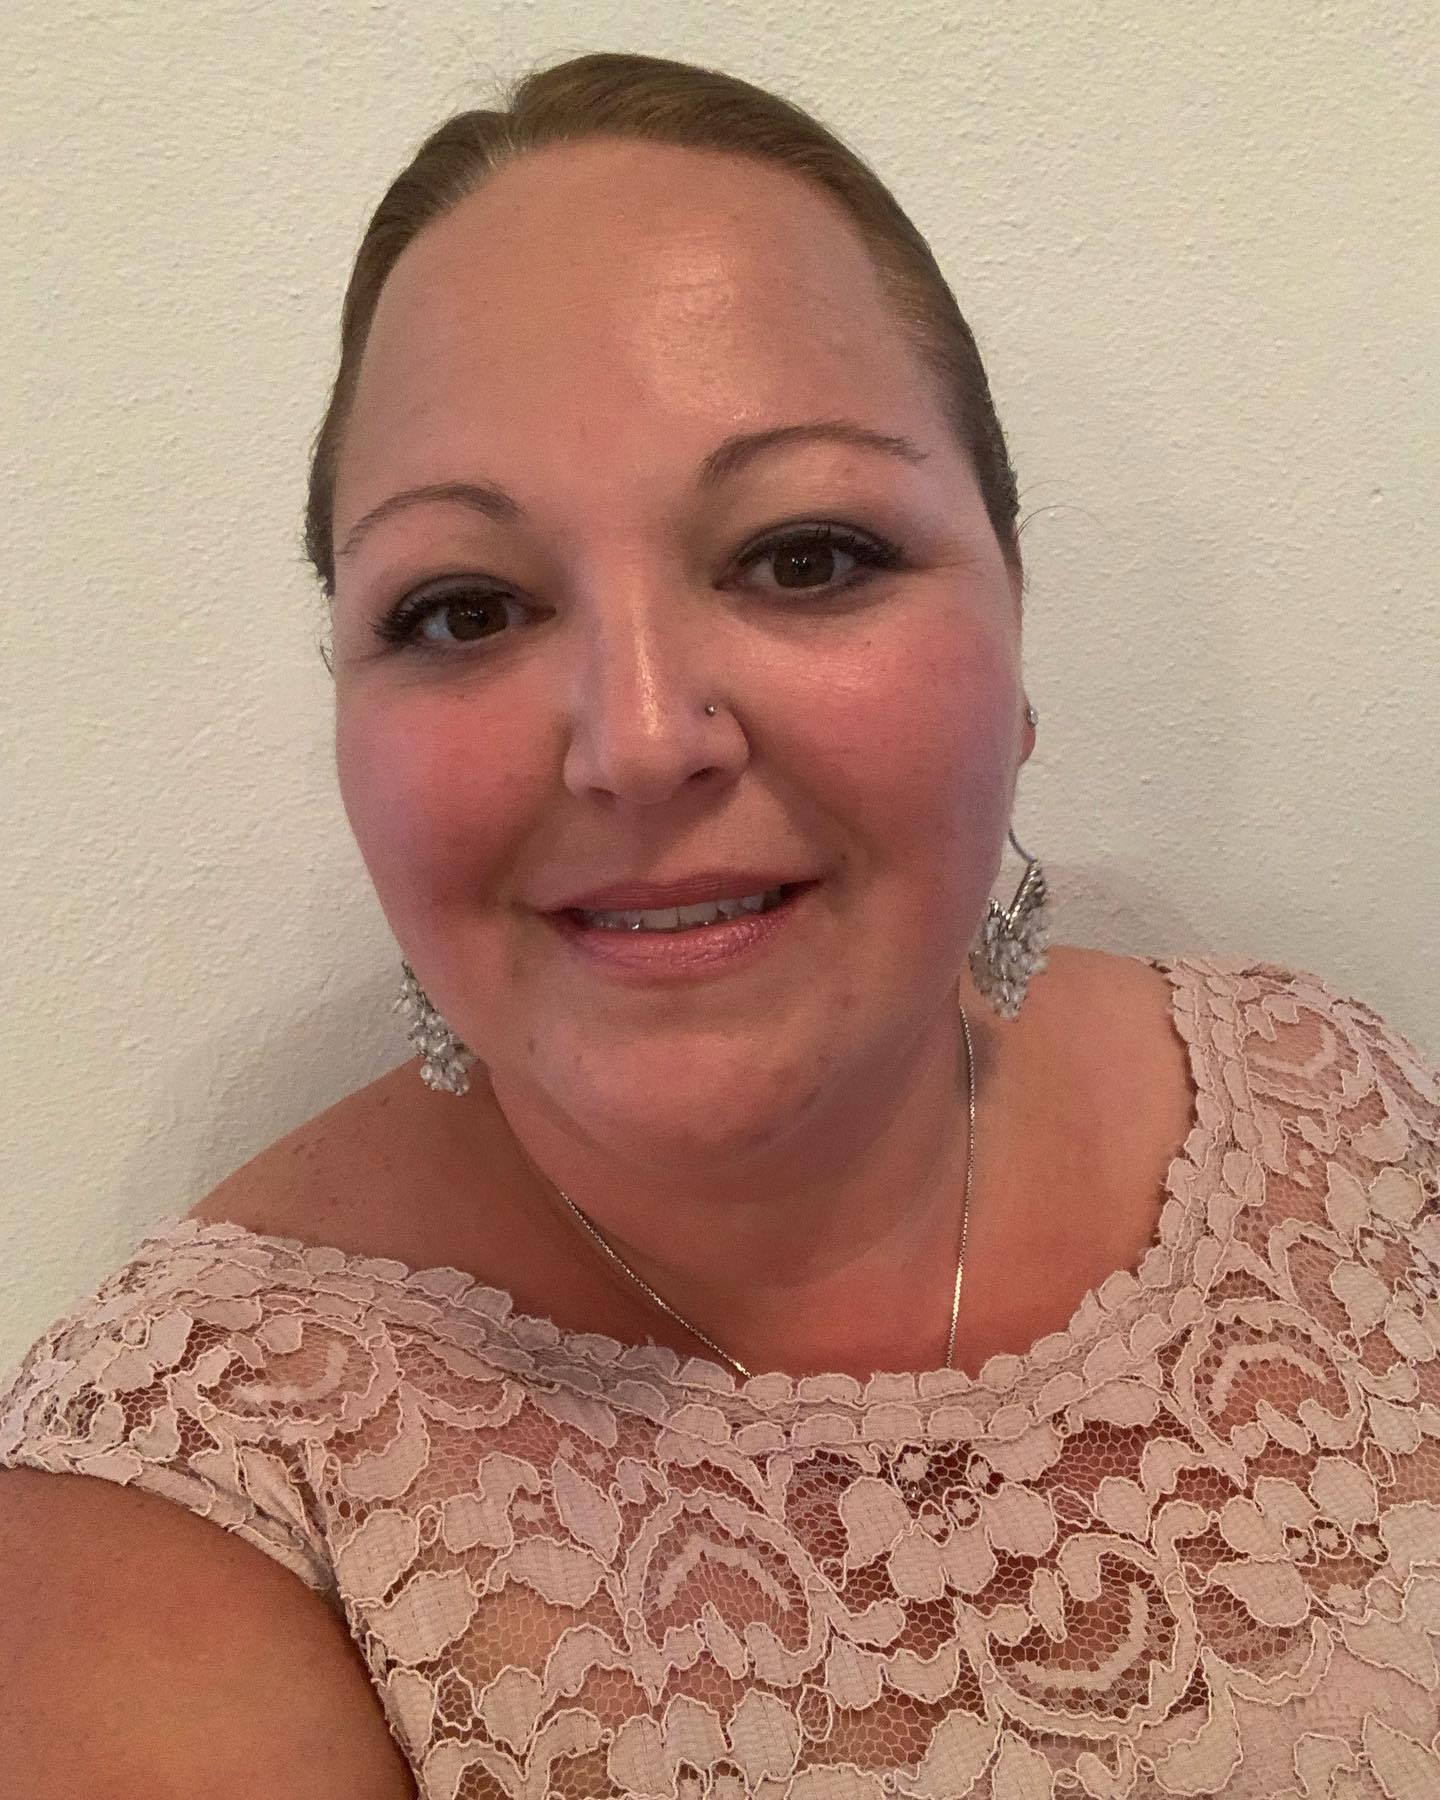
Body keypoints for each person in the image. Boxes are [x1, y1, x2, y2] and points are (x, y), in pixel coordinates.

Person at [2, 48, 1436, 1800]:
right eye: (465, 609)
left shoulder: (1332, 1109)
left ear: (1014, 631)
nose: (638, 740)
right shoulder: (179, 1516)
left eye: (803, 555)